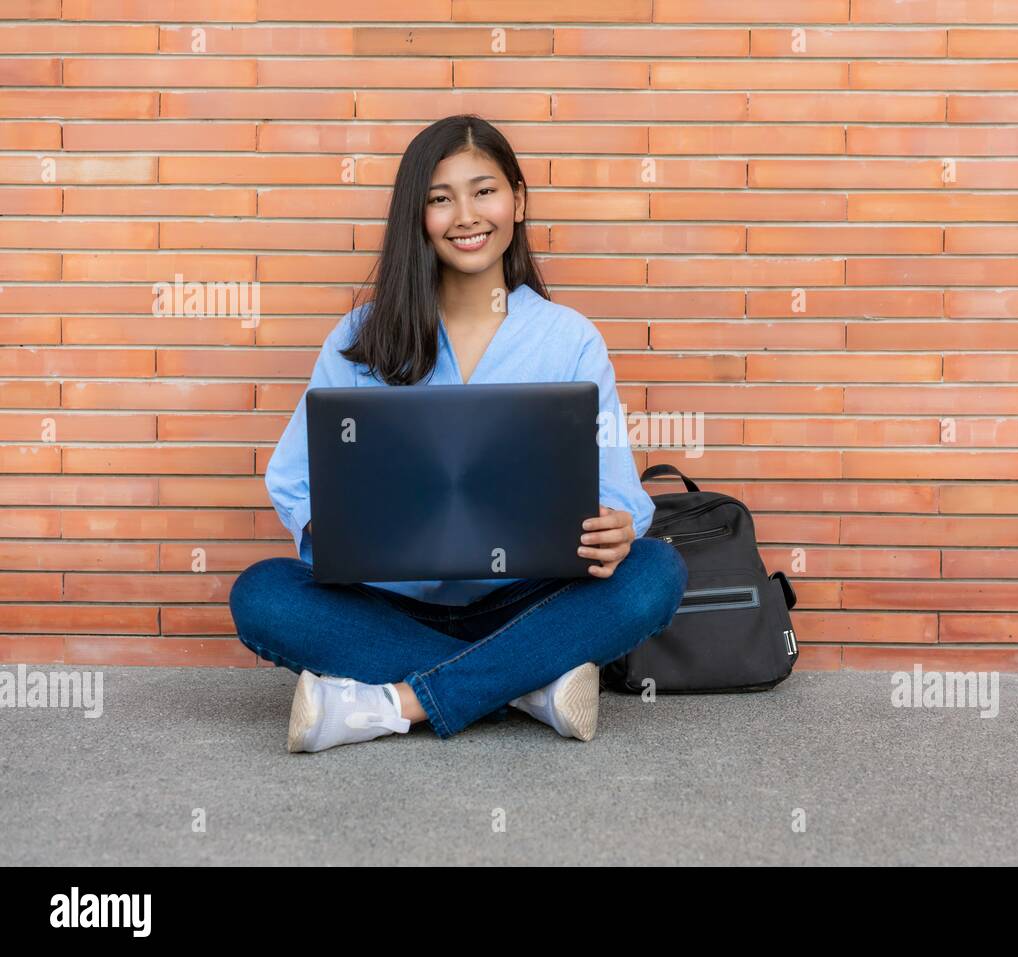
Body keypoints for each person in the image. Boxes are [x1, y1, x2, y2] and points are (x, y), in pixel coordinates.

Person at [228, 114, 688, 753]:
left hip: (529, 598)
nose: (466, 215)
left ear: (518, 200)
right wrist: (323, 530)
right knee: (263, 595)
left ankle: (402, 700)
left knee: (656, 572)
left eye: (484, 191)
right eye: (440, 199)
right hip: (389, 603)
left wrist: (620, 527)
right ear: (417, 217)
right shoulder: (362, 337)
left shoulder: (568, 337)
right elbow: (293, 477)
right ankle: (529, 686)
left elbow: (618, 490)